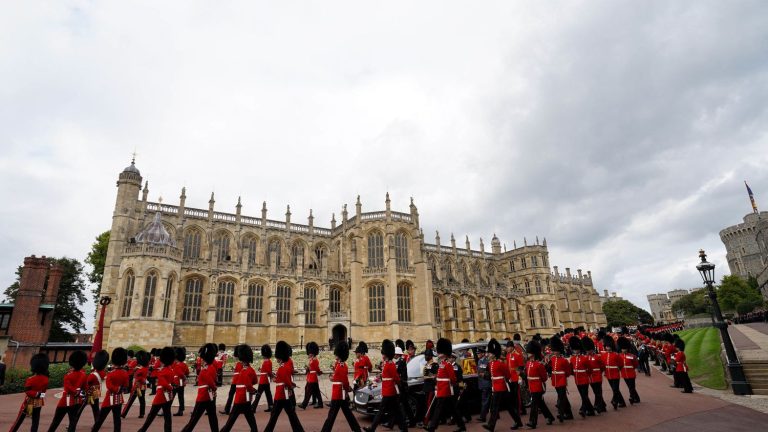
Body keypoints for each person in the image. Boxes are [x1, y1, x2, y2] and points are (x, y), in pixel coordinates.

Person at [364, 339, 408, 432]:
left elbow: (396, 378)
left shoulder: (390, 364)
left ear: (386, 354)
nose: (382, 355)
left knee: (382, 410)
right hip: (387, 390)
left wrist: (399, 385)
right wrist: (377, 379)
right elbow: (385, 376)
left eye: (383, 354)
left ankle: (372, 428)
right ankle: (404, 428)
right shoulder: (387, 364)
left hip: (390, 390)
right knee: (397, 410)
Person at [321, 341, 362, 432]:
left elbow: (344, 381)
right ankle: (356, 429)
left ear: (339, 355)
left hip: (339, 393)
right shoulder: (339, 365)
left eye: (336, 354)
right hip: (339, 393)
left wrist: (347, 388)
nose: (335, 355)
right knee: (348, 414)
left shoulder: (342, 366)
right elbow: (339, 378)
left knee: (331, 415)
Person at [264, 341, 304, 432]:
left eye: (277, 357)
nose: (276, 359)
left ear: (280, 357)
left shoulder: (283, 367)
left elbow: (285, 380)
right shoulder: (283, 366)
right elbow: (282, 379)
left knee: (274, 417)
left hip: (281, 395)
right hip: (283, 395)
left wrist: (290, 386)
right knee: (291, 415)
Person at [482, 338, 522, 431]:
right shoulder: (490, 364)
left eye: (490, 353)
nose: (488, 355)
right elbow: (490, 375)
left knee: (495, 407)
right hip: (496, 387)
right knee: (509, 406)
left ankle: (491, 426)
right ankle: (518, 422)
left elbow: (507, 375)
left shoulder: (500, 364)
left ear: (494, 354)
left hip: (501, 387)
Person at [425, 338, 463, 432]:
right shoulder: (441, 364)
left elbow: (453, 379)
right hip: (441, 389)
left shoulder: (448, 364)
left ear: (445, 353)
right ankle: (462, 426)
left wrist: (451, 386)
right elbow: (440, 377)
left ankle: (432, 427)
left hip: (446, 390)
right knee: (453, 409)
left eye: (440, 352)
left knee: (439, 409)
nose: (438, 353)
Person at [180, 343, 219, 432]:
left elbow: (209, 381)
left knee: (194, 419)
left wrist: (214, 388)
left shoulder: (206, 369)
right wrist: (213, 389)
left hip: (203, 396)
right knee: (212, 418)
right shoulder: (210, 367)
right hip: (210, 396)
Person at [220, 344, 259, 432]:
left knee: (231, 419)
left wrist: (251, 390)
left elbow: (248, 384)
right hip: (246, 398)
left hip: (240, 398)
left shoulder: (243, 370)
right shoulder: (250, 370)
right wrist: (253, 390)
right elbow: (255, 381)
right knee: (250, 418)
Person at [138, 346, 177, 432]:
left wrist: (169, 387)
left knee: (151, 415)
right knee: (167, 416)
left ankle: (142, 430)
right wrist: (171, 387)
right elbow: (173, 381)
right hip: (168, 396)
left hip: (160, 396)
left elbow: (163, 383)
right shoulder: (171, 370)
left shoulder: (161, 371)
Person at [47, 350, 87, 432]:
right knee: (72, 422)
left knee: (56, 421)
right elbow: (85, 388)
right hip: (76, 401)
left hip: (65, 402)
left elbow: (68, 388)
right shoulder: (83, 375)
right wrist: (79, 393)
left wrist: (75, 392)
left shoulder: (68, 376)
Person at [91, 347, 129, 432]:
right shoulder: (125, 373)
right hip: (118, 399)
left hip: (109, 399)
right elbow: (126, 385)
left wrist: (116, 389)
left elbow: (109, 386)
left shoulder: (111, 374)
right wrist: (120, 389)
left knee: (100, 419)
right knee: (117, 420)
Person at [9, 353, 49, 432]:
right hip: (39, 402)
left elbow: (27, 391)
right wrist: (40, 395)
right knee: (35, 421)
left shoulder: (31, 379)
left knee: (19, 420)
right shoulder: (46, 379)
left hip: (30, 402)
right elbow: (44, 391)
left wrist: (36, 394)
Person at [524, 340, 555, 429]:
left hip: (537, 387)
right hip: (531, 386)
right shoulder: (528, 363)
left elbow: (544, 378)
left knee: (534, 404)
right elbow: (527, 375)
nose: (528, 354)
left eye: (529, 352)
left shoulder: (539, 365)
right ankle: (550, 417)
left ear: (533, 353)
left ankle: (532, 422)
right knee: (541, 404)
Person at [568, 336, 596, 417]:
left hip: (584, 380)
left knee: (584, 395)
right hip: (577, 380)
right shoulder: (572, 359)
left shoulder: (584, 358)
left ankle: (582, 409)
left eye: (576, 350)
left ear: (579, 350)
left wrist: (585, 375)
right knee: (583, 396)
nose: (575, 351)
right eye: (574, 350)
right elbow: (571, 369)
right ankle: (591, 410)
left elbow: (590, 369)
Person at [548, 335, 573, 421]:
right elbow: (551, 368)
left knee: (561, 398)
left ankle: (560, 413)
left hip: (562, 380)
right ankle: (569, 414)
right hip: (555, 380)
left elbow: (568, 372)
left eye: (556, 351)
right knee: (563, 397)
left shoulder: (564, 360)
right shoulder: (553, 359)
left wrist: (563, 376)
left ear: (559, 351)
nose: (555, 352)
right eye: (554, 351)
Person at [79, 350, 108, 422]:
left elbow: (86, 384)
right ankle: (97, 423)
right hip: (96, 391)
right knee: (96, 410)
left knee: (79, 409)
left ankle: (72, 423)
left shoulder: (92, 375)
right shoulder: (102, 373)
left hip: (89, 392)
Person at [392, 346, 417, 427]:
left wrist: (400, 383)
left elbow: (401, 374)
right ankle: (411, 421)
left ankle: (392, 423)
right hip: (401, 385)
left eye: (395, 354)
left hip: (402, 386)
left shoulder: (401, 361)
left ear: (397, 354)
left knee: (400, 404)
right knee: (404, 405)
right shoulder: (398, 361)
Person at [122, 350, 150, 418]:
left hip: (137, 386)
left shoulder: (140, 369)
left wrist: (135, 370)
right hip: (142, 386)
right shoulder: (145, 367)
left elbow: (137, 376)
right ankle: (142, 413)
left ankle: (124, 413)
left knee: (130, 400)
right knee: (142, 400)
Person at [582, 336, 606, 413]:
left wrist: (599, 372)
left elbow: (602, 366)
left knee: (598, 392)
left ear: (592, 349)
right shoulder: (585, 357)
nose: (588, 352)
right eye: (587, 350)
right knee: (596, 392)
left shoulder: (597, 357)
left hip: (597, 376)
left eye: (589, 350)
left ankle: (597, 405)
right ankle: (603, 406)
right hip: (590, 377)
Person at [602, 336, 626, 410]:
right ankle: (622, 402)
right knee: (615, 389)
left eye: (609, 347)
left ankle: (614, 401)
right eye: (606, 347)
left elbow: (621, 364)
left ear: (611, 346)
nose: (607, 348)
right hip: (608, 374)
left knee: (615, 389)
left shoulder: (616, 355)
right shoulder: (604, 355)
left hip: (615, 374)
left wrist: (618, 370)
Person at [298, 341, 323, 409]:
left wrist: (309, 368)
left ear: (313, 353)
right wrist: (308, 368)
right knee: (316, 391)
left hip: (312, 377)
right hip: (311, 377)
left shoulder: (314, 360)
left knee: (308, 391)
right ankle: (320, 403)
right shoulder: (312, 359)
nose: (309, 354)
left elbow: (315, 369)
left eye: (310, 352)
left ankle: (304, 404)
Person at [251, 344, 274, 413]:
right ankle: (271, 406)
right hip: (265, 379)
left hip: (264, 380)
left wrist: (271, 376)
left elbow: (269, 371)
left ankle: (253, 407)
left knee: (259, 394)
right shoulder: (267, 361)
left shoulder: (268, 361)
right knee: (268, 393)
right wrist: (261, 370)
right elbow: (266, 371)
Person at [617, 336, 640, 404]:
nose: (624, 350)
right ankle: (637, 398)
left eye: (625, 349)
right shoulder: (619, 356)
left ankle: (631, 397)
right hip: (624, 373)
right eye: (623, 349)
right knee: (630, 386)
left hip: (631, 373)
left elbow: (635, 364)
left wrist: (632, 369)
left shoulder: (632, 356)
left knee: (631, 387)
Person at [221, 345, 241, 415]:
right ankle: (227, 409)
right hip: (235, 382)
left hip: (237, 383)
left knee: (234, 396)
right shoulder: (238, 363)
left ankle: (230, 409)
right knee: (231, 395)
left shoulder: (240, 363)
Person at [421, 349, 439, 426]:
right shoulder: (427, 364)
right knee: (429, 405)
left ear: (430, 356)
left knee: (429, 405)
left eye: (427, 355)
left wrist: (427, 377)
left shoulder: (434, 364)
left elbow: (436, 376)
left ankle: (426, 422)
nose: (425, 357)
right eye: (425, 355)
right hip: (426, 387)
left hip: (431, 387)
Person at [476, 347, 491, 423]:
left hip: (486, 383)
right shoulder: (479, 361)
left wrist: (484, 374)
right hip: (482, 383)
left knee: (485, 400)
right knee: (488, 400)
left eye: (479, 353)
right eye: (477, 353)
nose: (478, 355)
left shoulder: (487, 361)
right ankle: (495, 414)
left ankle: (483, 417)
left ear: (482, 354)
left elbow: (490, 372)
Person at [173, 347, 189, 416]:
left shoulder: (176, 364)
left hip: (176, 382)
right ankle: (181, 410)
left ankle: (165, 409)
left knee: (171, 396)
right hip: (181, 382)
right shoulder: (184, 364)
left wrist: (184, 377)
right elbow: (187, 372)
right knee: (181, 396)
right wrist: (184, 378)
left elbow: (180, 374)